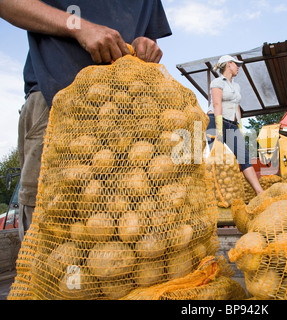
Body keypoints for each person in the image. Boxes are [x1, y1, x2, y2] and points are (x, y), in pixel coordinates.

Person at [0, 0, 172, 240]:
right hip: (57, 100)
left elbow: (149, 39)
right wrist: (78, 26)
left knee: (131, 219)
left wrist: (146, 45)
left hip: (127, 116)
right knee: (49, 226)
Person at [206, 55, 264, 195]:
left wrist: (240, 127)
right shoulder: (217, 82)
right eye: (236, 64)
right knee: (218, 160)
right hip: (215, 121)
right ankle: (218, 196)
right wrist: (219, 129)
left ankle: (260, 192)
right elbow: (217, 104)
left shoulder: (236, 85)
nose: (238, 67)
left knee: (244, 157)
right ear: (228, 64)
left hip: (232, 124)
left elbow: (237, 107)